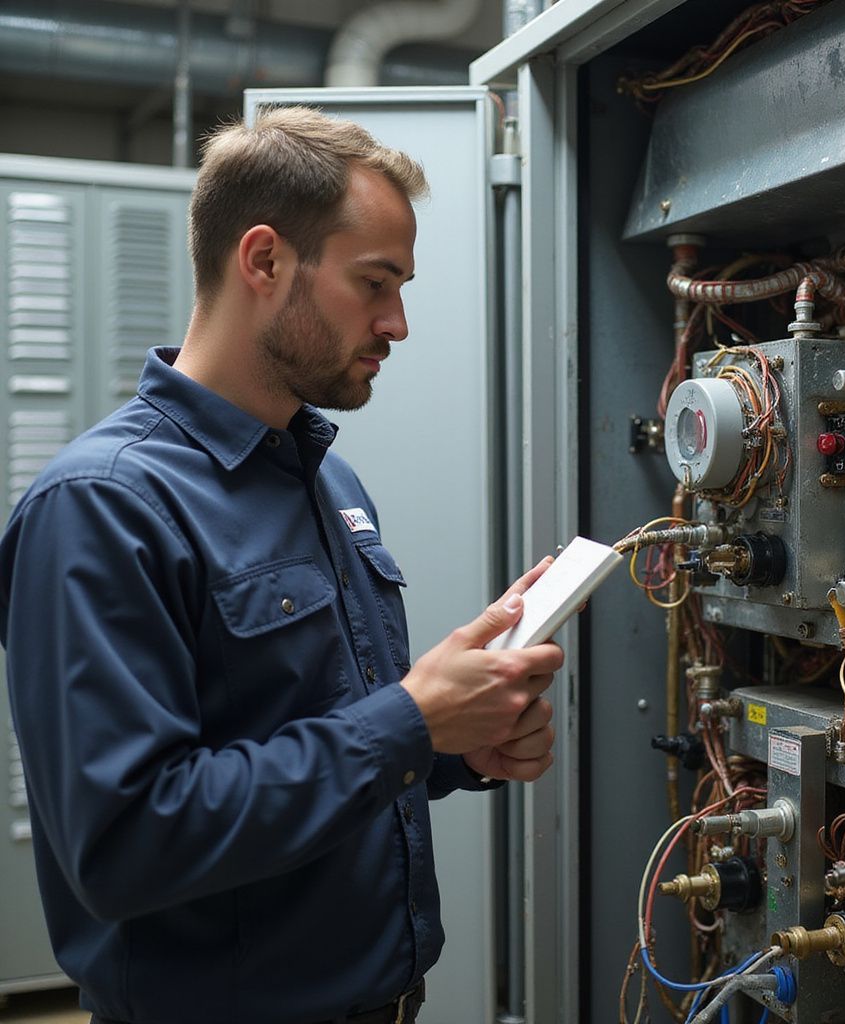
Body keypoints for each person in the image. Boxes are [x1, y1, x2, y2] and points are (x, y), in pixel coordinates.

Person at [0, 107, 563, 1024]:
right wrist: (409, 724)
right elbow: (128, 842)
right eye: (374, 283)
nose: (399, 323)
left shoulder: (323, 472)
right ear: (262, 261)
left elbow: (310, 730)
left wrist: (457, 742)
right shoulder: (102, 506)